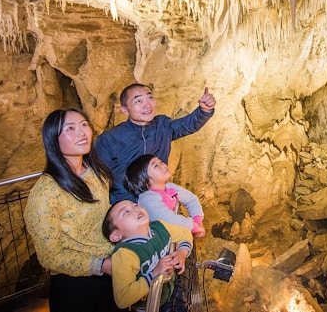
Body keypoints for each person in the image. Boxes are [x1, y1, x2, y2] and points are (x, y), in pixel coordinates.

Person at [24, 108, 122, 312]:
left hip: (111, 272)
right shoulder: (46, 192)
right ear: (53, 139)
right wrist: (101, 265)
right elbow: (50, 256)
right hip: (77, 286)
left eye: (84, 125)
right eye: (70, 128)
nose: (82, 132)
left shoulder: (96, 173)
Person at [95, 84, 216, 203]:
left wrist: (204, 111)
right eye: (139, 101)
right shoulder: (109, 139)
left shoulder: (162, 126)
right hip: (127, 206)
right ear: (124, 110)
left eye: (150, 98)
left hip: (159, 199)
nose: (147, 105)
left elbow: (187, 125)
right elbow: (98, 179)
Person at [102, 200, 193, 311]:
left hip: (172, 289)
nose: (136, 209)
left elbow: (185, 233)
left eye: (135, 205)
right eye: (125, 212)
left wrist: (182, 252)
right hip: (150, 306)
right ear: (116, 235)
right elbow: (122, 298)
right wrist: (154, 274)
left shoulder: (160, 227)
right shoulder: (125, 254)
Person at [125, 154, 206, 237]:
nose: (163, 165)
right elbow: (169, 219)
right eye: (156, 165)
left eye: (160, 162)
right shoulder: (148, 200)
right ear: (144, 181)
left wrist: (198, 220)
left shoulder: (169, 187)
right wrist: (195, 227)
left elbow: (191, 200)